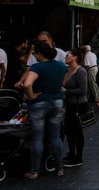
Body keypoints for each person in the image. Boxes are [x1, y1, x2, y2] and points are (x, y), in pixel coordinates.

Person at [21, 42, 67, 178]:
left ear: (40, 54)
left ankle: (35, 171)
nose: (34, 55)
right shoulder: (61, 65)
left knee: (38, 138)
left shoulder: (37, 67)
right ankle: (59, 168)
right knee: (55, 136)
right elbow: (63, 83)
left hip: (39, 103)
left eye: (35, 53)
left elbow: (27, 84)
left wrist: (31, 96)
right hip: (57, 101)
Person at [62, 48, 88, 168]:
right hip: (69, 104)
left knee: (77, 131)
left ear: (75, 58)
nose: (66, 57)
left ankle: (78, 156)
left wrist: (66, 91)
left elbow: (83, 91)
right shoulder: (67, 70)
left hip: (79, 105)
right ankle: (71, 153)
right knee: (68, 129)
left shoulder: (80, 71)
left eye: (68, 55)